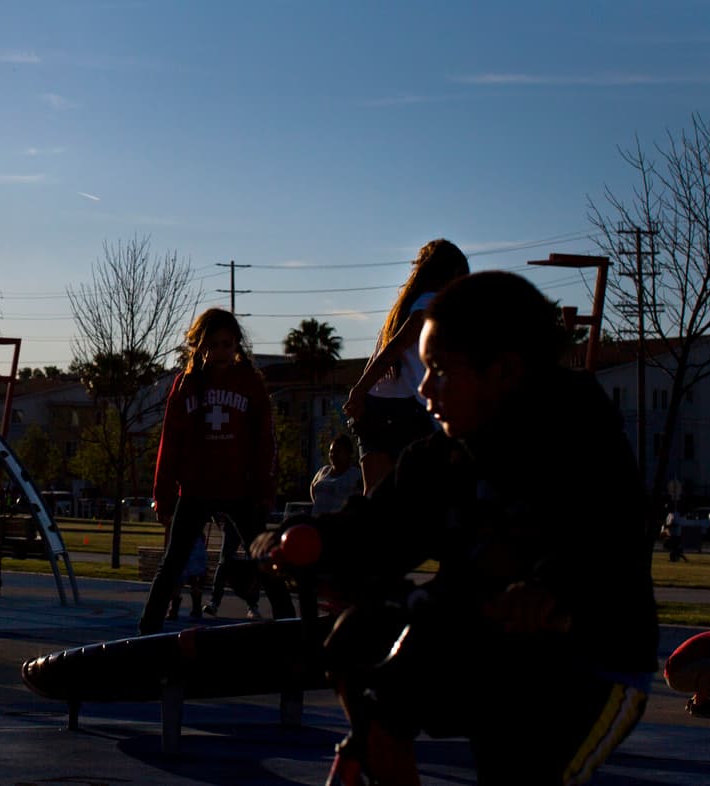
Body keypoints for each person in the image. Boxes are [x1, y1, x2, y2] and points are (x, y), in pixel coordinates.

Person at [259, 272, 659, 785]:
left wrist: (552, 590)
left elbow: (605, 541)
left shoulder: (582, 444)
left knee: (518, 766)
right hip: (486, 647)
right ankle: (382, 752)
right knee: (359, 636)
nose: (424, 390)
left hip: (589, 668)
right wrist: (299, 540)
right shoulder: (443, 457)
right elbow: (375, 530)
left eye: (441, 370)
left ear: (506, 371)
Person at [139, 307, 294, 635]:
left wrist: (266, 488)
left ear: (237, 345)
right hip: (196, 489)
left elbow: (266, 440)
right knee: (172, 564)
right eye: (213, 344)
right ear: (198, 346)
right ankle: (147, 631)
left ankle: (291, 626)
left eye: (228, 344)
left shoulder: (250, 383)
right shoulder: (185, 385)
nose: (221, 352)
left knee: (266, 558)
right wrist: (162, 496)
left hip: (240, 488)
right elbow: (170, 442)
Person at [343, 239, 469, 493]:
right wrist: (358, 390)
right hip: (407, 409)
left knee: (376, 496)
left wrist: (361, 391)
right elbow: (395, 348)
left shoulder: (403, 307)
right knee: (419, 494)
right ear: (453, 274)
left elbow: (384, 352)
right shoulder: (429, 304)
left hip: (376, 407)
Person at [309, 434, 362, 516]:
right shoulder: (323, 471)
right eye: (331, 451)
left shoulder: (356, 475)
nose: (333, 455)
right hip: (317, 521)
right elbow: (312, 487)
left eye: (338, 451)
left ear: (348, 453)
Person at [166, 528, 208, 621]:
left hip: (184, 541)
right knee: (194, 578)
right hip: (196, 541)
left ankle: (173, 610)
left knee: (179, 578)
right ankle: (196, 609)